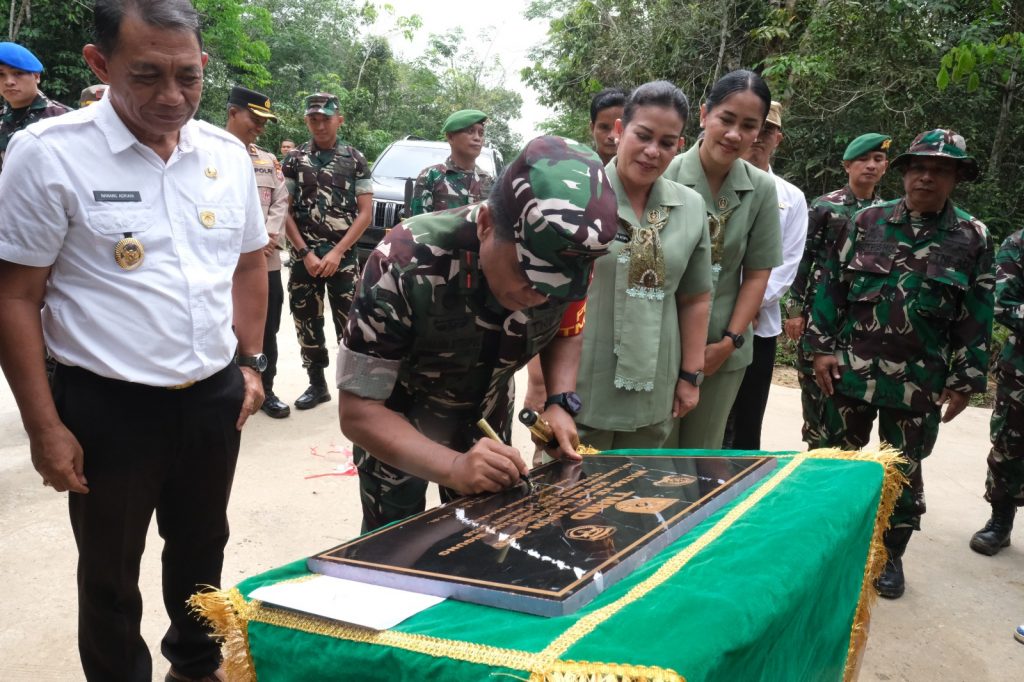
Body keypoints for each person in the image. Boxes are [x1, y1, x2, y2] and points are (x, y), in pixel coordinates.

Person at [0, 2, 269, 681]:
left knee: (202, 549)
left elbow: (247, 265)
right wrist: (44, 427)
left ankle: (195, 666)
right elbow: (14, 297)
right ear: (100, 64)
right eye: (147, 76)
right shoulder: (48, 155)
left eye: (188, 76)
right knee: (111, 572)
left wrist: (251, 362)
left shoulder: (226, 154)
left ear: (204, 67)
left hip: (212, 398)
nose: (171, 97)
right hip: (107, 408)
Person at [337, 135, 618, 532]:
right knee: (395, 551)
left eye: (555, 286)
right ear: (486, 224)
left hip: (488, 420)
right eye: (527, 274)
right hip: (398, 428)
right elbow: (358, 412)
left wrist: (559, 401)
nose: (539, 296)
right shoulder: (402, 261)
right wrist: (454, 466)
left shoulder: (569, 262)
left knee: (485, 547)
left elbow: (567, 331)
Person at [808, 129, 993, 600]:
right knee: (835, 464)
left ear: (956, 178)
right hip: (849, 371)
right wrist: (821, 348)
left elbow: (976, 312)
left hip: (918, 382)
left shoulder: (971, 237)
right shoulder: (866, 220)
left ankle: (890, 557)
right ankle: (827, 551)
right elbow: (831, 285)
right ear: (906, 172)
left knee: (902, 472)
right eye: (918, 167)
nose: (926, 176)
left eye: (941, 169)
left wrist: (964, 379)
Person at [572, 81, 711, 450]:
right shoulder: (580, 196)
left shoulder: (692, 207)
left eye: (666, 143)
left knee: (642, 496)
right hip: (580, 386)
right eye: (643, 136)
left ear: (679, 146)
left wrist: (689, 377)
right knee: (570, 498)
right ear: (619, 131)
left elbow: (695, 298)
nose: (652, 152)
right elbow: (545, 297)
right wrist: (541, 386)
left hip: (655, 391)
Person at [664, 69, 783, 449]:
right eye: (726, 119)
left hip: (723, 350)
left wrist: (729, 342)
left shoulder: (761, 188)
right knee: (654, 455)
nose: (735, 134)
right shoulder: (665, 175)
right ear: (704, 115)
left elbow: (757, 274)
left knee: (701, 457)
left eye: (749, 126)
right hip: (663, 344)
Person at [784, 133, 890, 448]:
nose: (871, 166)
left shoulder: (888, 214)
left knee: (850, 401)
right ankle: (814, 454)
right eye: (863, 159)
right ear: (847, 165)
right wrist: (794, 311)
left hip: (862, 321)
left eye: (878, 159)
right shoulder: (824, 207)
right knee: (817, 395)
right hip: (819, 315)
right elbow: (801, 260)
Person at [723, 101, 807, 450]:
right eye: (754, 128)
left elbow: (787, 263)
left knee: (745, 422)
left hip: (759, 328)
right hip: (704, 319)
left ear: (778, 139)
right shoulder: (713, 184)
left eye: (768, 131)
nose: (758, 137)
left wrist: (750, 303)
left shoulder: (791, 197)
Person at [282, 93, 372, 410]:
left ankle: (354, 390)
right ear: (307, 120)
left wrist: (337, 253)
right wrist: (306, 253)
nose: (319, 125)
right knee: (306, 320)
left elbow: (365, 214)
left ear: (339, 120)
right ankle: (317, 384)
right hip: (304, 259)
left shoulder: (355, 159)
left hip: (343, 260)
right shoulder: (294, 160)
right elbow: (285, 210)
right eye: (313, 119)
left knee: (350, 325)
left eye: (326, 119)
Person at [225, 85, 291, 419]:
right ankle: (226, 390)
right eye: (255, 118)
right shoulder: (209, 155)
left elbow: (281, 199)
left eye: (265, 121)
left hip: (265, 261)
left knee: (267, 327)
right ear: (233, 113)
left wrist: (267, 235)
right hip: (223, 265)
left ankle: (267, 388)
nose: (261, 127)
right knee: (223, 326)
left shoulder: (267, 161)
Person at [969, 228, 1024, 555]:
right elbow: (1002, 300)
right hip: (1021, 371)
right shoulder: (1018, 244)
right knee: (1010, 444)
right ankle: (1001, 520)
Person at [0, 41, 71, 173]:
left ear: (36, 77)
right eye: (1, 74)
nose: (9, 82)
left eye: (18, 73)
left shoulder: (63, 117)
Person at [409, 109, 493, 216]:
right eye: (470, 131)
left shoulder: (489, 181)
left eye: (481, 133)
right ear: (450, 137)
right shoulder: (431, 177)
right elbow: (418, 226)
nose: (477, 138)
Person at [589, 87, 628, 165]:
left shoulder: (646, 173)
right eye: (604, 127)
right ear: (592, 129)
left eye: (620, 128)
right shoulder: (579, 172)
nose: (612, 136)